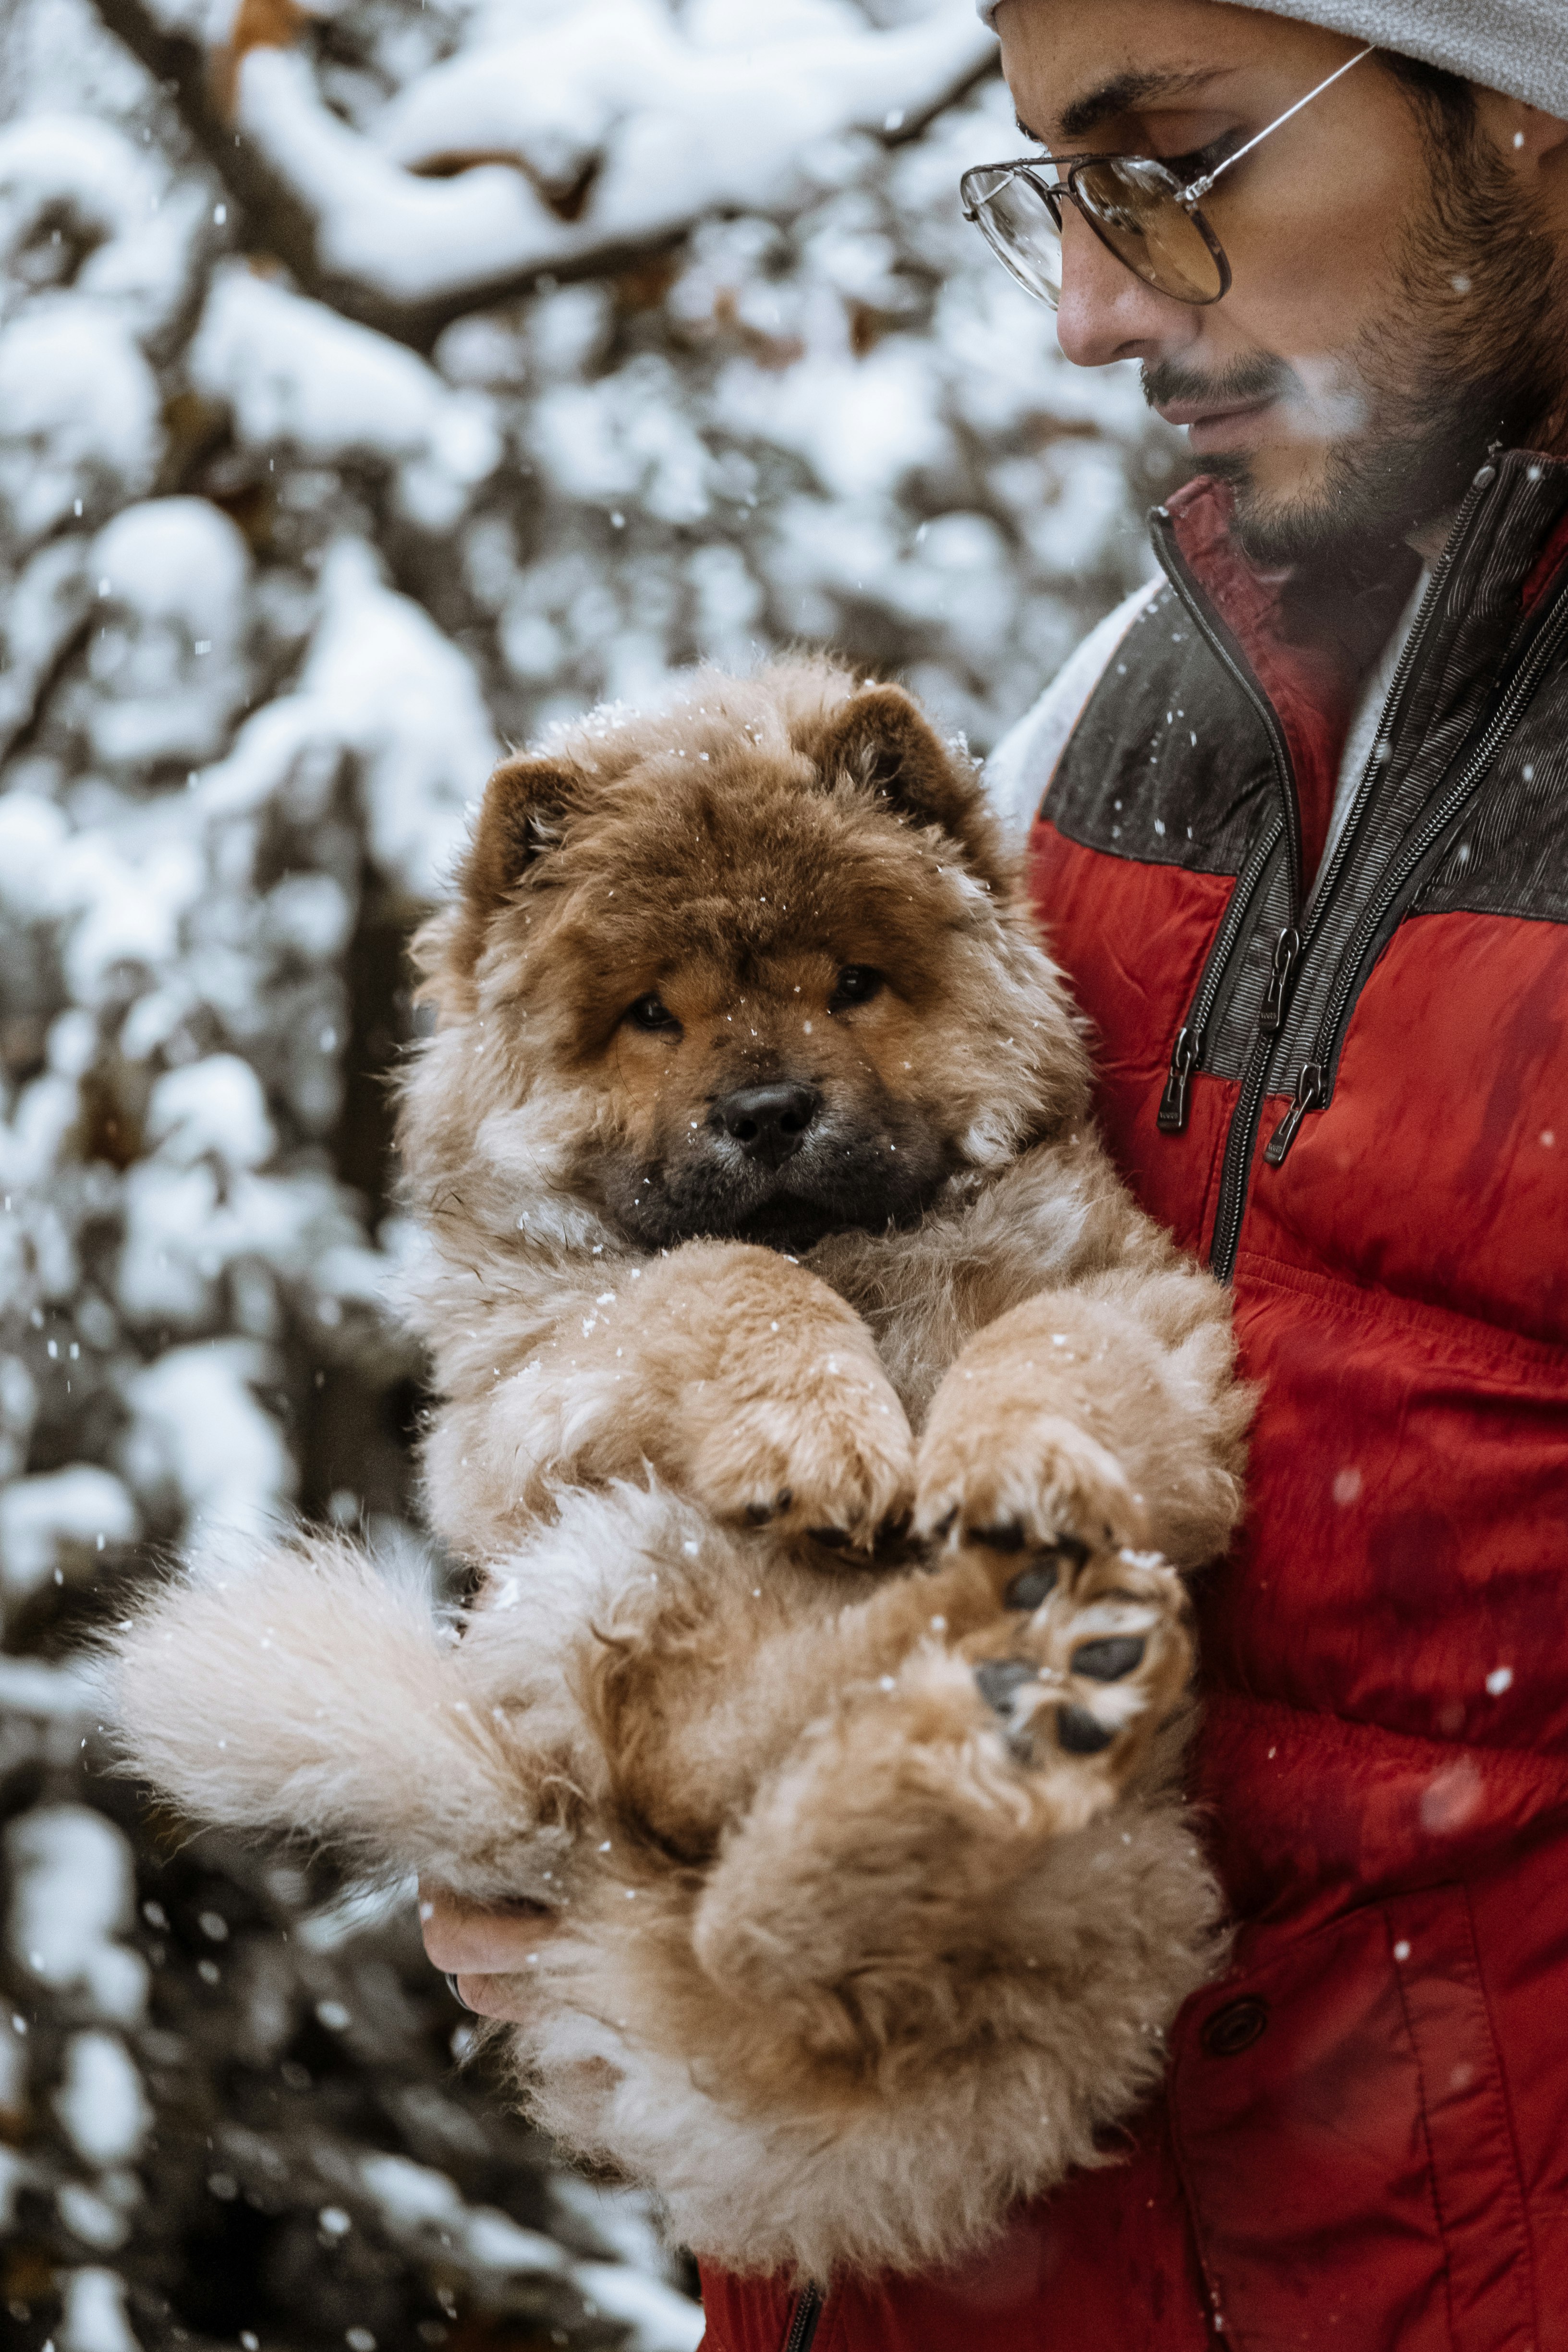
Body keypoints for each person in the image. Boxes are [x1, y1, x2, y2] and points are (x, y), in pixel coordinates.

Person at [425, 2, 1568, 2341]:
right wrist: (623, 1794)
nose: (1088, 306)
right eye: (1047, 187)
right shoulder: (1133, 713)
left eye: (1169, 165)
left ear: (1531, 105)